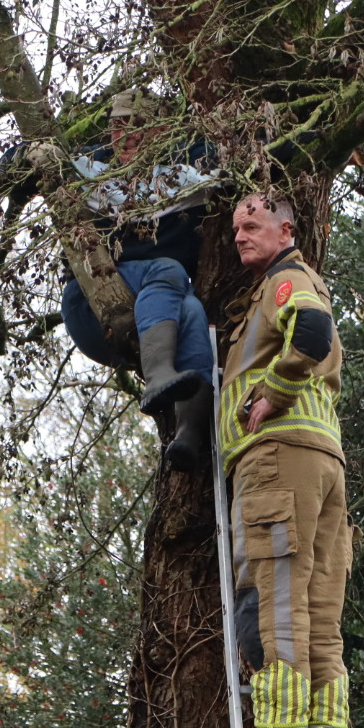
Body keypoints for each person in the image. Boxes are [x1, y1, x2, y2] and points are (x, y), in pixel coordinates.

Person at [218, 193, 351, 728]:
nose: (241, 235)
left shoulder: (286, 280)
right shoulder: (296, 281)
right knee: (320, 607)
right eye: (236, 227)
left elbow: (313, 332)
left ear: (286, 229)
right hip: (324, 462)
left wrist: (270, 390)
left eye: (253, 224)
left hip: (277, 459)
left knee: (275, 600)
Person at [59, 89, 218, 471]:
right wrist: (17, 163)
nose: (124, 136)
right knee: (168, 269)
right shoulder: (91, 167)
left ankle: (190, 437)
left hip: (158, 313)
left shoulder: (188, 169)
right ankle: (159, 375)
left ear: (162, 131)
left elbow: (269, 150)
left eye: (137, 126)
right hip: (91, 303)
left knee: (193, 312)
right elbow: (26, 156)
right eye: (117, 126)